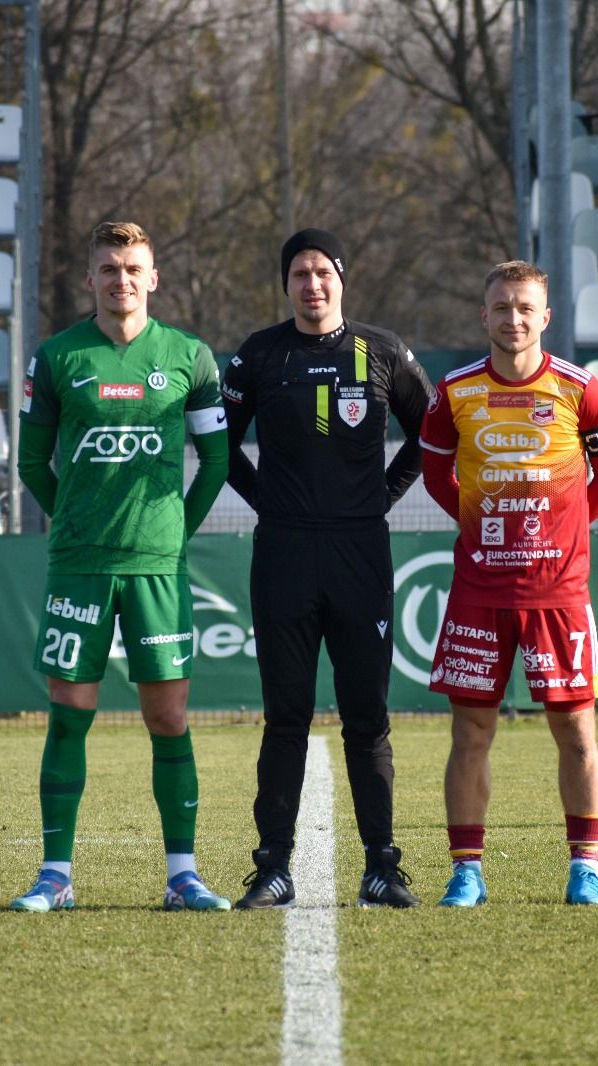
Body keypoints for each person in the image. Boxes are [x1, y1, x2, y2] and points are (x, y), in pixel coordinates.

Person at [10, 221, 232, 913]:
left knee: (168, 717)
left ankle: (183, 876)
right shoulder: (55, 358)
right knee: (68, 712)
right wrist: (74, 521)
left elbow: (217, 463)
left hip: (157, 569)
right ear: (90, 279)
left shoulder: (189, 357)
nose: (121, 279)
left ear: (153, 277)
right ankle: (55, 875)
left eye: (133, 267)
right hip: (79, 566)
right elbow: (29, 463)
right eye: (108, 268)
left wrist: (171, 535)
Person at [221, 228, 434, 909]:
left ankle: (382, 866)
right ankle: (273, 868)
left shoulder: (383, 350)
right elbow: (219, 446)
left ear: (341, 278)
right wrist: (270, 505)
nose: (312, 285)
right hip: (283, 552)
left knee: (367, 717)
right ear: (286, 284)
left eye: (322, 272)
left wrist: (384, 496)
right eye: (299, 274)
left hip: (359, 551)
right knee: (285, 715)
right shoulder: (260, 353)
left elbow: (432, 433)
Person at [418, 260, 598, 907]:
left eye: (524, 308)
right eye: (502, 308)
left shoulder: (580, 389)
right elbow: (435, 477)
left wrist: (561, 535)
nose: (513, 319)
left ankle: (585, 869)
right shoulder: (453, 393)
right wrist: (484, 525)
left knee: (576, 733)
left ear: (545, 317)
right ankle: (467, 872)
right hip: (480, 594)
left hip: (557, 596)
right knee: (471, 735)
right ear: (485, 317)